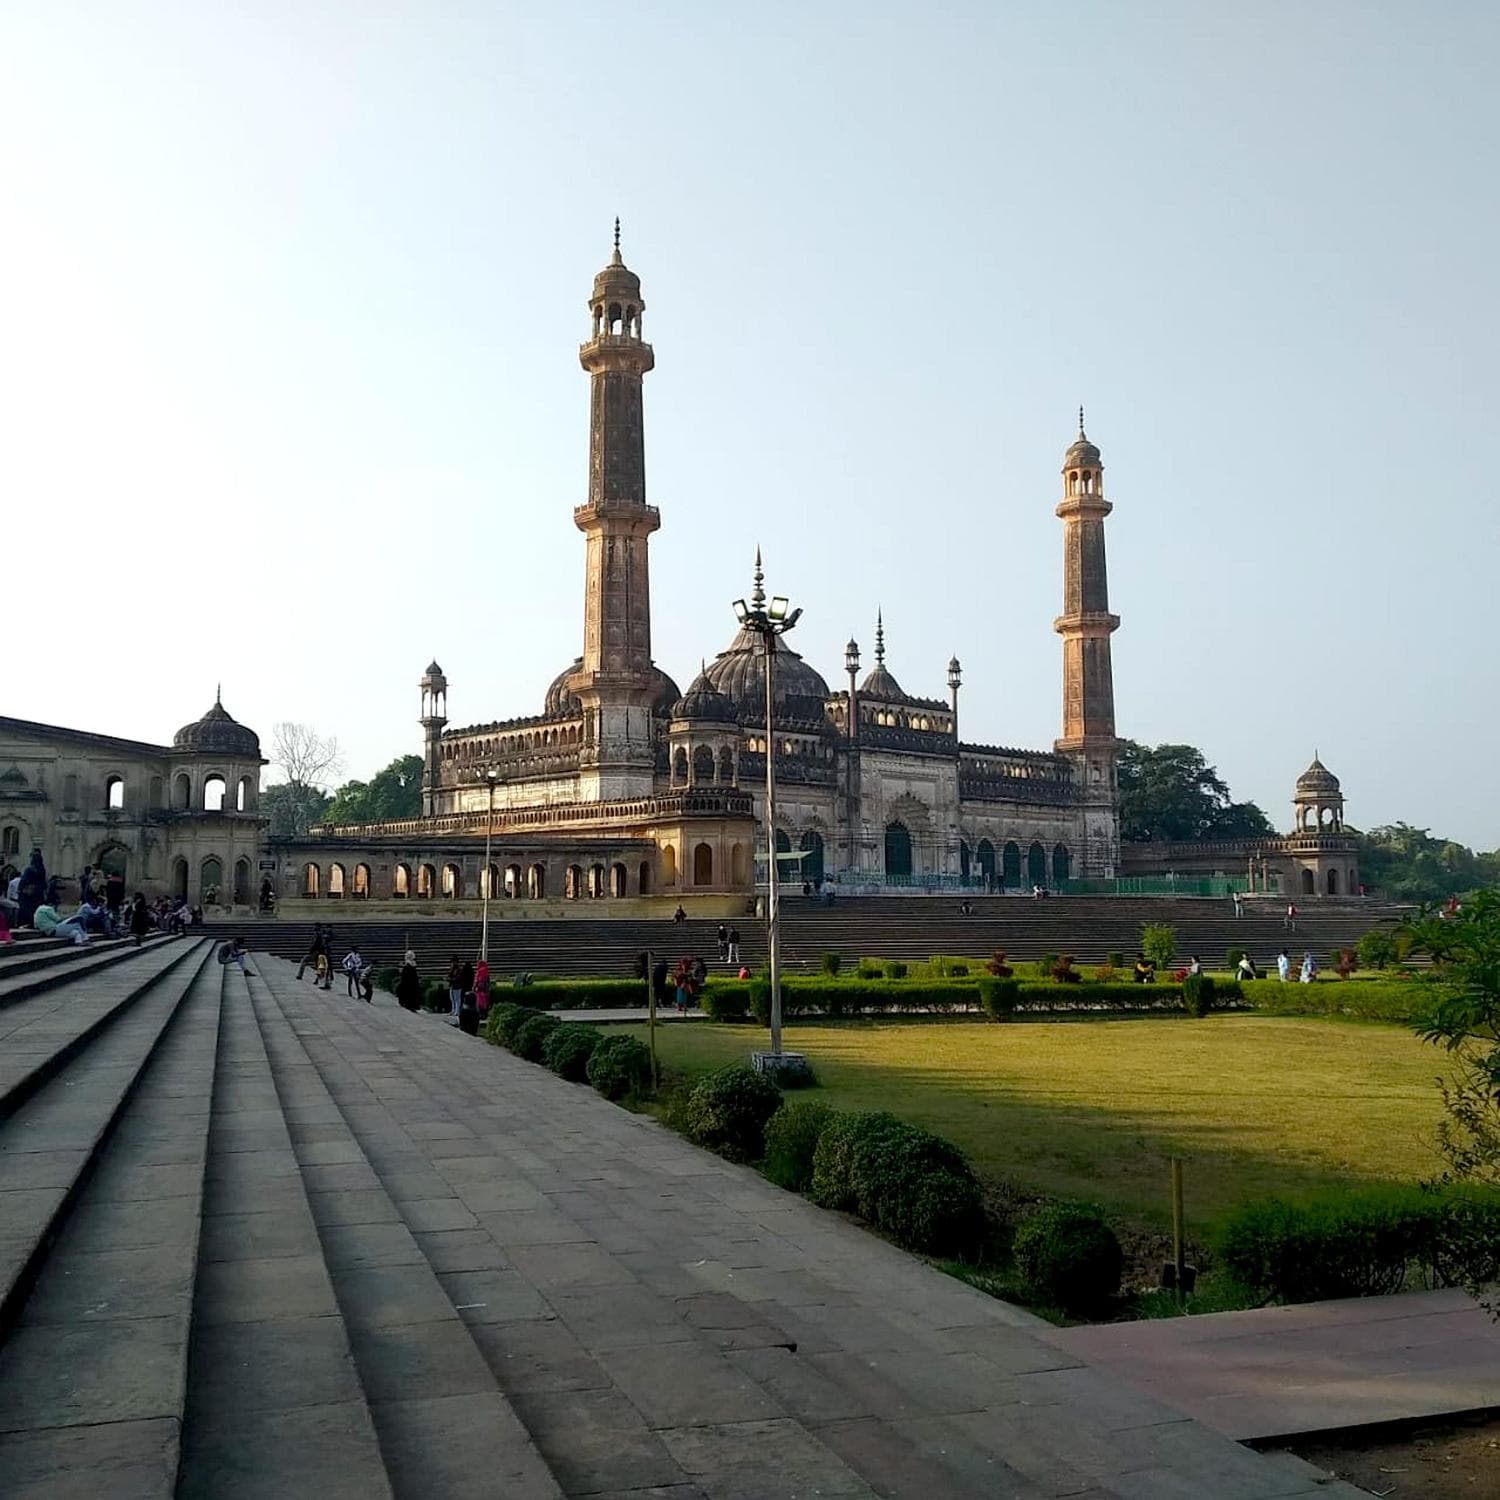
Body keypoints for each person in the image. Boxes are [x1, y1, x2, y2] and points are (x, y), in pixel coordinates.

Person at [17, 850, 47, 928]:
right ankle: (34, 923)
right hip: (38, 894)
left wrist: (20, 889)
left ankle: (25, 923)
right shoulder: (42, 870)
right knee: (35, 909)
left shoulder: (30, 869)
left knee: (26, 909)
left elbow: (24, 881)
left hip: (29, 894)